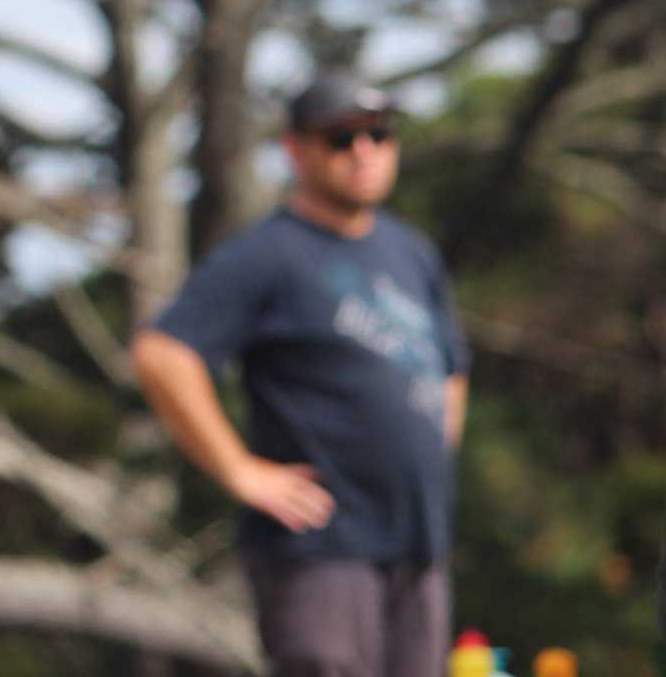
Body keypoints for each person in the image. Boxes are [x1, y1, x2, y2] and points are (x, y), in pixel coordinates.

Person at [130, 73, 469, 677]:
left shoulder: (411, 252)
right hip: (322, 550)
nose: (363, 150)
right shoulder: (268, 255)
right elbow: (163, 354)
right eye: (340, 138)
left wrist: (427, 450)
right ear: (295, 150)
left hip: (417, 543)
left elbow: (451, 368)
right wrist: (240, 471)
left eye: (378, 134)